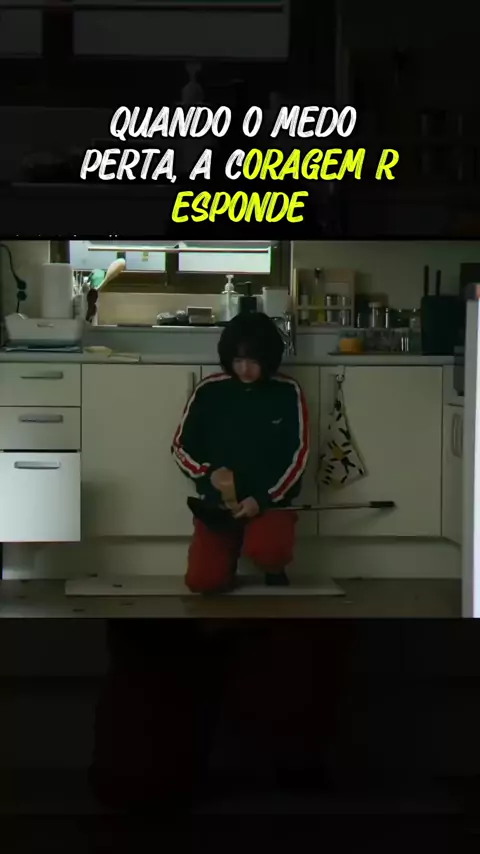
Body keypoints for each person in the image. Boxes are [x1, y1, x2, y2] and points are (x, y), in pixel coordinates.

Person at [171, 311, 310, 594]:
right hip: (218, 507)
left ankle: (273, 565)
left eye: (253, 361)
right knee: (203, 582)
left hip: (269, 503)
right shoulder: (209, 390)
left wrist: (263, 499)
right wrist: (208, 474)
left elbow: (298, 455)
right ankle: (226, 556)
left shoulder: (288, 391)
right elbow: (180, 446)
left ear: (268, 359)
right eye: (237, 360)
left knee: (269, 551)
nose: (245, 369)